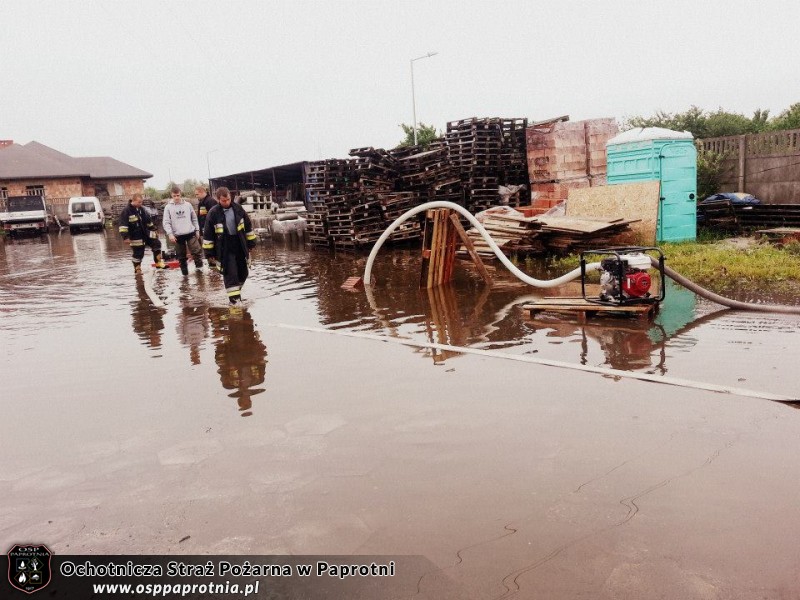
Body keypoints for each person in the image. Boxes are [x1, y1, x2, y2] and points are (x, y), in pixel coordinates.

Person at [202, 186, 257, 304]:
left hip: (239, 244)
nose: (227, 202)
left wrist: (251, 243)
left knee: (243, 272)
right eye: (223, 201)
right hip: (224, 247)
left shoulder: (238, 209)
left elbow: (248, 227)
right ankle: (235, 303)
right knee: (231, 274)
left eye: (228, 200)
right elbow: (208, 235)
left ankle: (236, 294)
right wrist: (209, 253)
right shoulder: (213, 213)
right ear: (218, 200)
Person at [118, 193, 166, 272]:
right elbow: (123, 226)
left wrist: (154, 229)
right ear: (133, 201)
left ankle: (158, 263)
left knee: (157, 243)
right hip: (135, 236)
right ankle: (137, 269)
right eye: (139, 202)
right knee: (138, 253)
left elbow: (148, 221)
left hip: (146, 233)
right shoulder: (126, 211)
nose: (141, 204)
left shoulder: (142, 209)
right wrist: (125, 237)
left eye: (141, 202)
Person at [162, 185, 203, 275]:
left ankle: (200, 274)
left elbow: (194, 219)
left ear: (180, 195)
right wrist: (170, 234)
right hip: (177, 236)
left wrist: (197, 230)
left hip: (190, 233)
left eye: (178, 195)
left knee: (197, 253)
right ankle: (185, 276)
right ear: (171, 196)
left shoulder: (188, 205)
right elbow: (166, 222)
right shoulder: (168, 207)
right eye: (174, 196)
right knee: (181, 257)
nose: (176, 197)